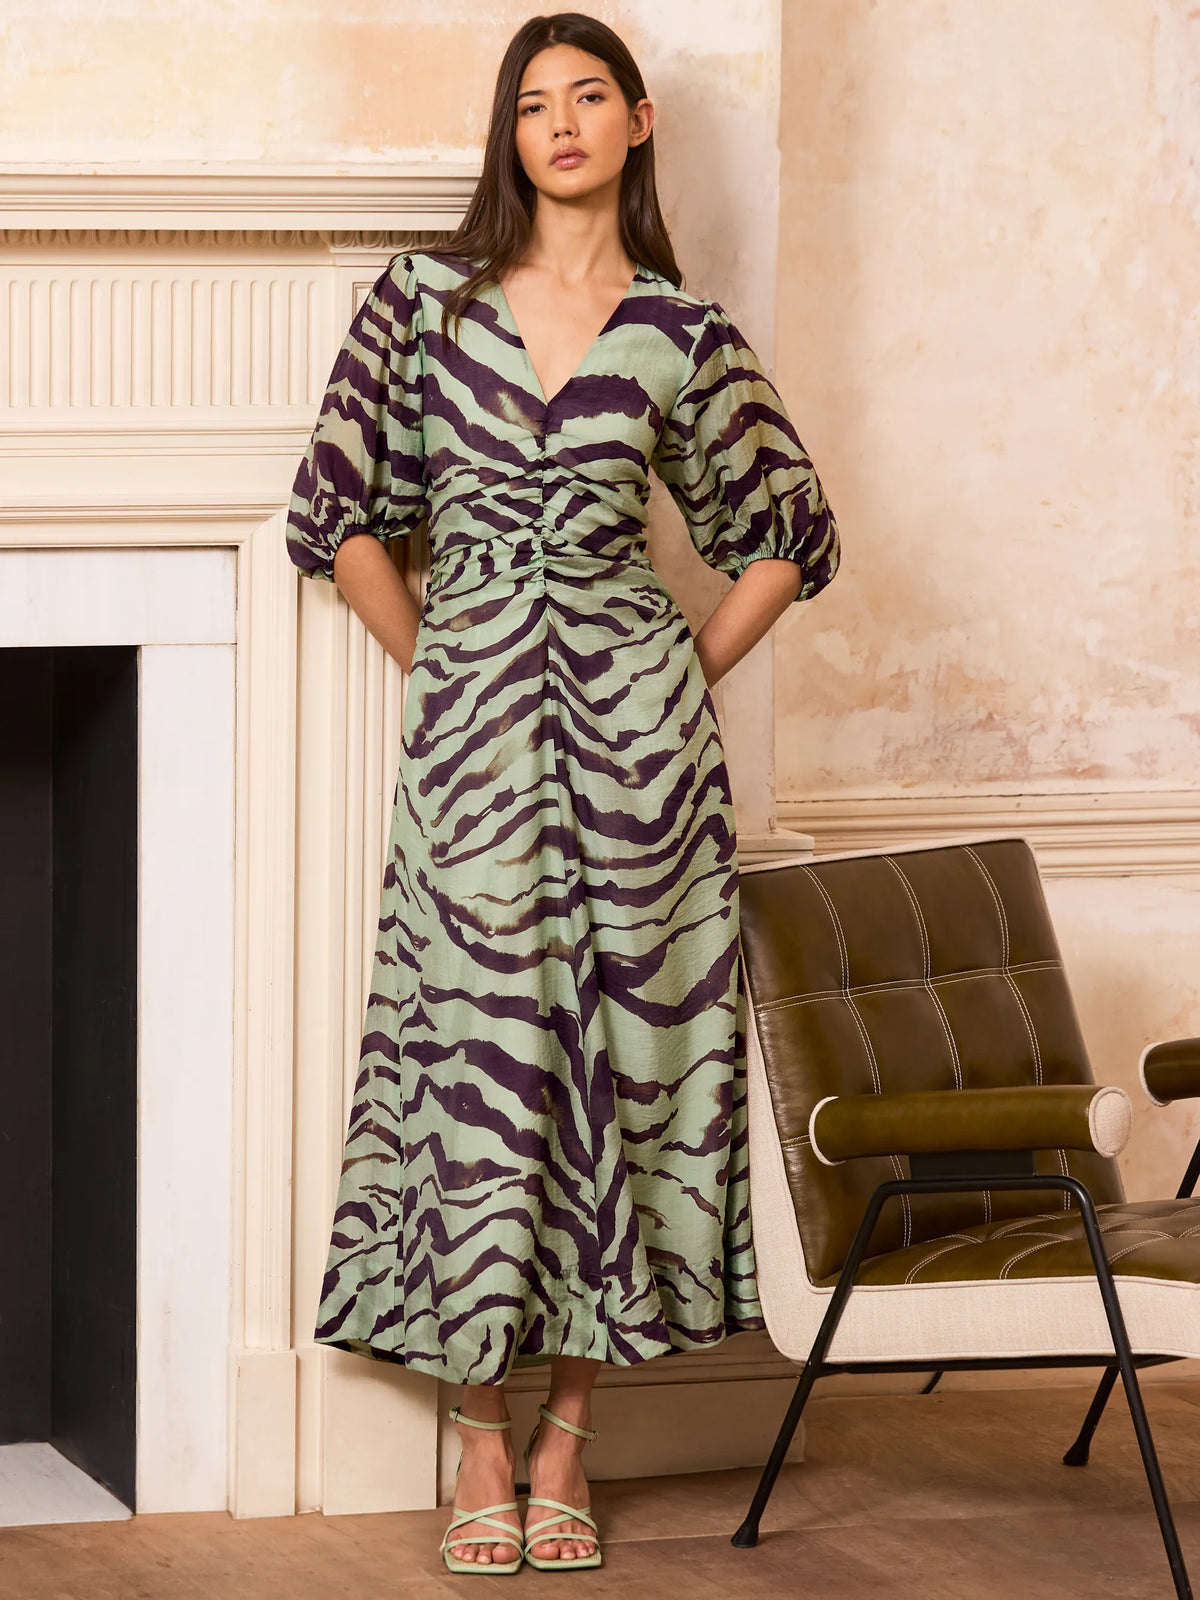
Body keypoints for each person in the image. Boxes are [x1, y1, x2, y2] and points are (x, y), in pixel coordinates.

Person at [285, 9, 840, 1577]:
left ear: (640, 120)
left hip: (642, 768)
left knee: (628, 1075)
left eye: (591, 96)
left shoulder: (680, 330)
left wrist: (679, 671)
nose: (565, 123)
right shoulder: (424, 307)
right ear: (509, 136)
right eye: (536, 105)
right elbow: (340, 517)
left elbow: (789, 524)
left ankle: (567, 1440)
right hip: (474, 760)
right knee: (479, 1074)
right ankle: (473, 1428)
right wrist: (445, 667)